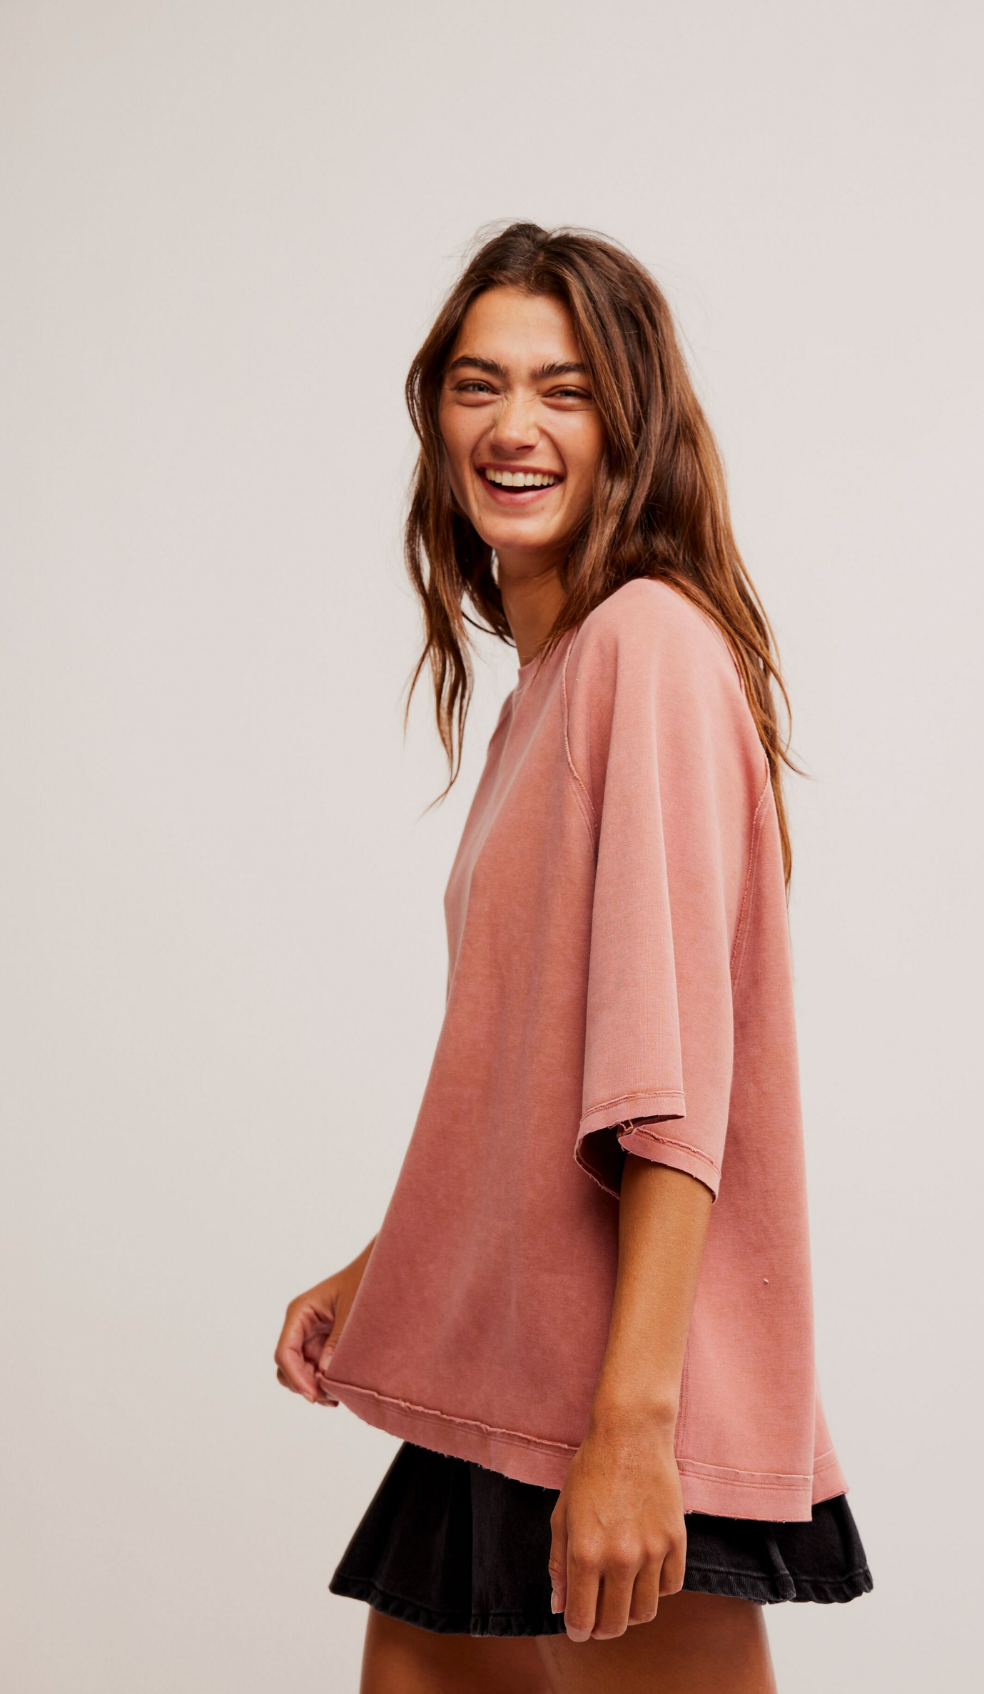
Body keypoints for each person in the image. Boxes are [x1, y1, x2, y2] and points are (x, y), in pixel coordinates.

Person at [274, 222, 871, 1694]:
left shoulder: (647, 650)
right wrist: (388, 1265)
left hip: (605, 1393)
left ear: (629, 424)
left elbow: (668, 1093)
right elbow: (523, 1081)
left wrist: (633, 1429)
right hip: (503, 1376)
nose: (514, 425)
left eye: (566, 388)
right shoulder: (550, 680)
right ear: (438, 416)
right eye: (479, 385)